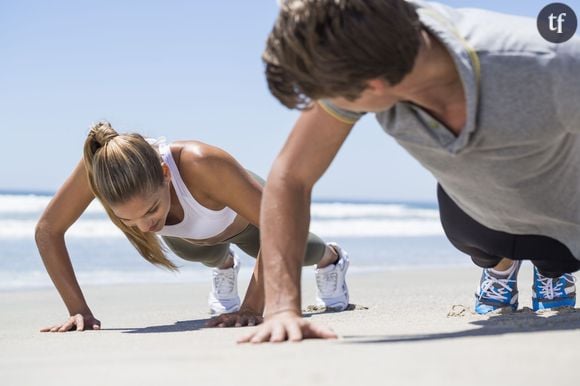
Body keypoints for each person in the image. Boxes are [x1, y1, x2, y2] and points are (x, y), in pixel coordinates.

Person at [239, 0, 580, 343]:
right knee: (468, 228)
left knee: (557, 252)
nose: (325, 107)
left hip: (567, 225)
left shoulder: (551, 65)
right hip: (483, 220)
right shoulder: (367, 51)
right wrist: (283, 308)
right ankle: (501, 267)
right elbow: (291, 177)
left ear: (372, 86)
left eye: (328, 96)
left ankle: (554, 271)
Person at [35, 121, 351, 332]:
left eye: (151, 210)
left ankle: (333, 259)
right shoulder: (103, 169)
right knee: (199, 252)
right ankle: (226, 265)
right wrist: (78, 309)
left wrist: (252, 306)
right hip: (193, 239)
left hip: (252, 222)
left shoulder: (202, 163)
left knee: (303, 249)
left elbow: (279, 227)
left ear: (165, 173)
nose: (144, 228)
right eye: (127, 220)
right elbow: (48, 230)